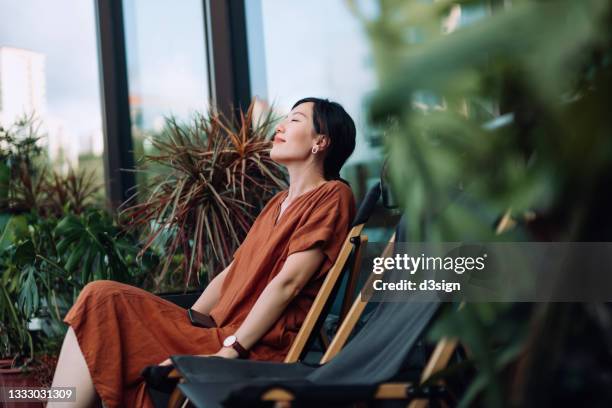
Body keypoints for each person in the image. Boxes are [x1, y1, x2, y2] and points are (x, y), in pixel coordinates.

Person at [49, 97, 357, 407]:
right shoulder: (277, 203)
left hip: (255, 344)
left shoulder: (333, 195)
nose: (279, 126)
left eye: (295, 120)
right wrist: (188, 321)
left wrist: (231, 348)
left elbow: (288, 284)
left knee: (101, 300)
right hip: (218, 331)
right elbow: (231, 275)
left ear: (321, 141)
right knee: (100, 298)